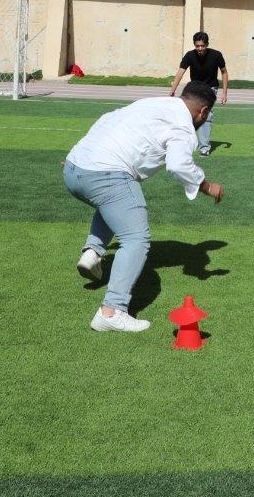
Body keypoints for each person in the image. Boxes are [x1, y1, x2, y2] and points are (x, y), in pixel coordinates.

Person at [64, 83, 224, 333]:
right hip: (106, 173)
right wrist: (205, 185)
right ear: (202, 112)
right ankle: (112, 311)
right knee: (136, 238)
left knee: (112, 203)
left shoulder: (156, 102)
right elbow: (178, 165)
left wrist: (86, 152)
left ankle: (92, 253)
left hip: (74, 167)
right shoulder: (183, 126)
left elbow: (109, 117)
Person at [170, 31, 228, 156]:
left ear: (207, 44)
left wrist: (224, 93)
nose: (200, 48)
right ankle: (186, 142)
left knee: (206, 115)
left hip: (210, 89)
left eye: (202, 46)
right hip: (195, 88)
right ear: (194, 45)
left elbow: (224, 72)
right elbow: (180, 72)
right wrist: (172, 90)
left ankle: (204, 148)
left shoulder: (216, 55)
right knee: (188, 115)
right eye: (197, 46)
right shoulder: (189, 56)